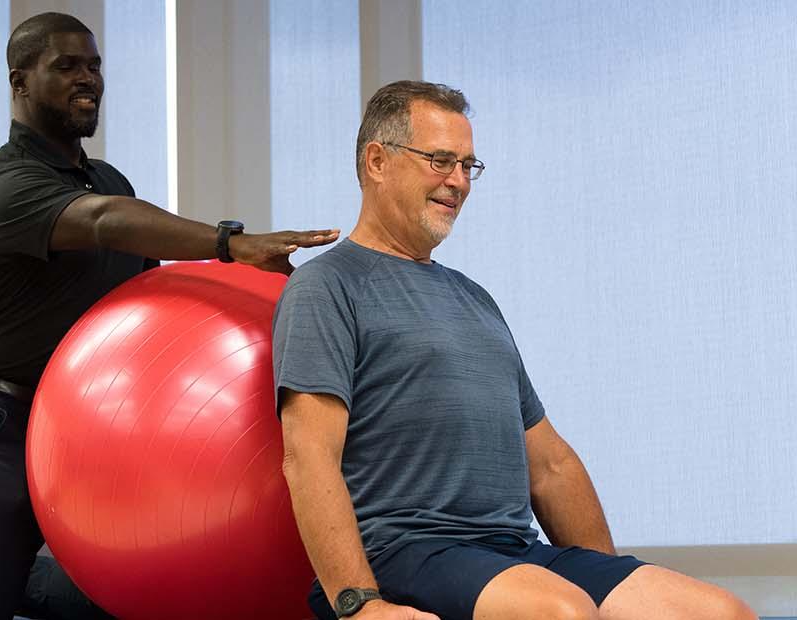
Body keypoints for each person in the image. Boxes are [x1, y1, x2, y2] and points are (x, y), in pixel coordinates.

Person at [0, 12, 339, 620]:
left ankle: (5, 574)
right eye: (67, 66)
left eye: (95, 65)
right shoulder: (2, 186)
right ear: (20, 81)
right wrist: (230, 242)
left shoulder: (110, 181)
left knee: (124, 594)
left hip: (86, 431)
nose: (89, 79)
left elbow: (149, 308)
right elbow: (101, 220)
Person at [272, 80, 757, 620]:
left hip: (513, 553)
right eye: (440, 160)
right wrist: (360, 605)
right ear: (378, 161)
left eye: (467, 166)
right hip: (405, 551)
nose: (457, 181)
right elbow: (308, 457)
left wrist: (608, 587)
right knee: (560, 613)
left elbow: (549, 464)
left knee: (720, 612)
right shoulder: (327, 286)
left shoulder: (474, 299)